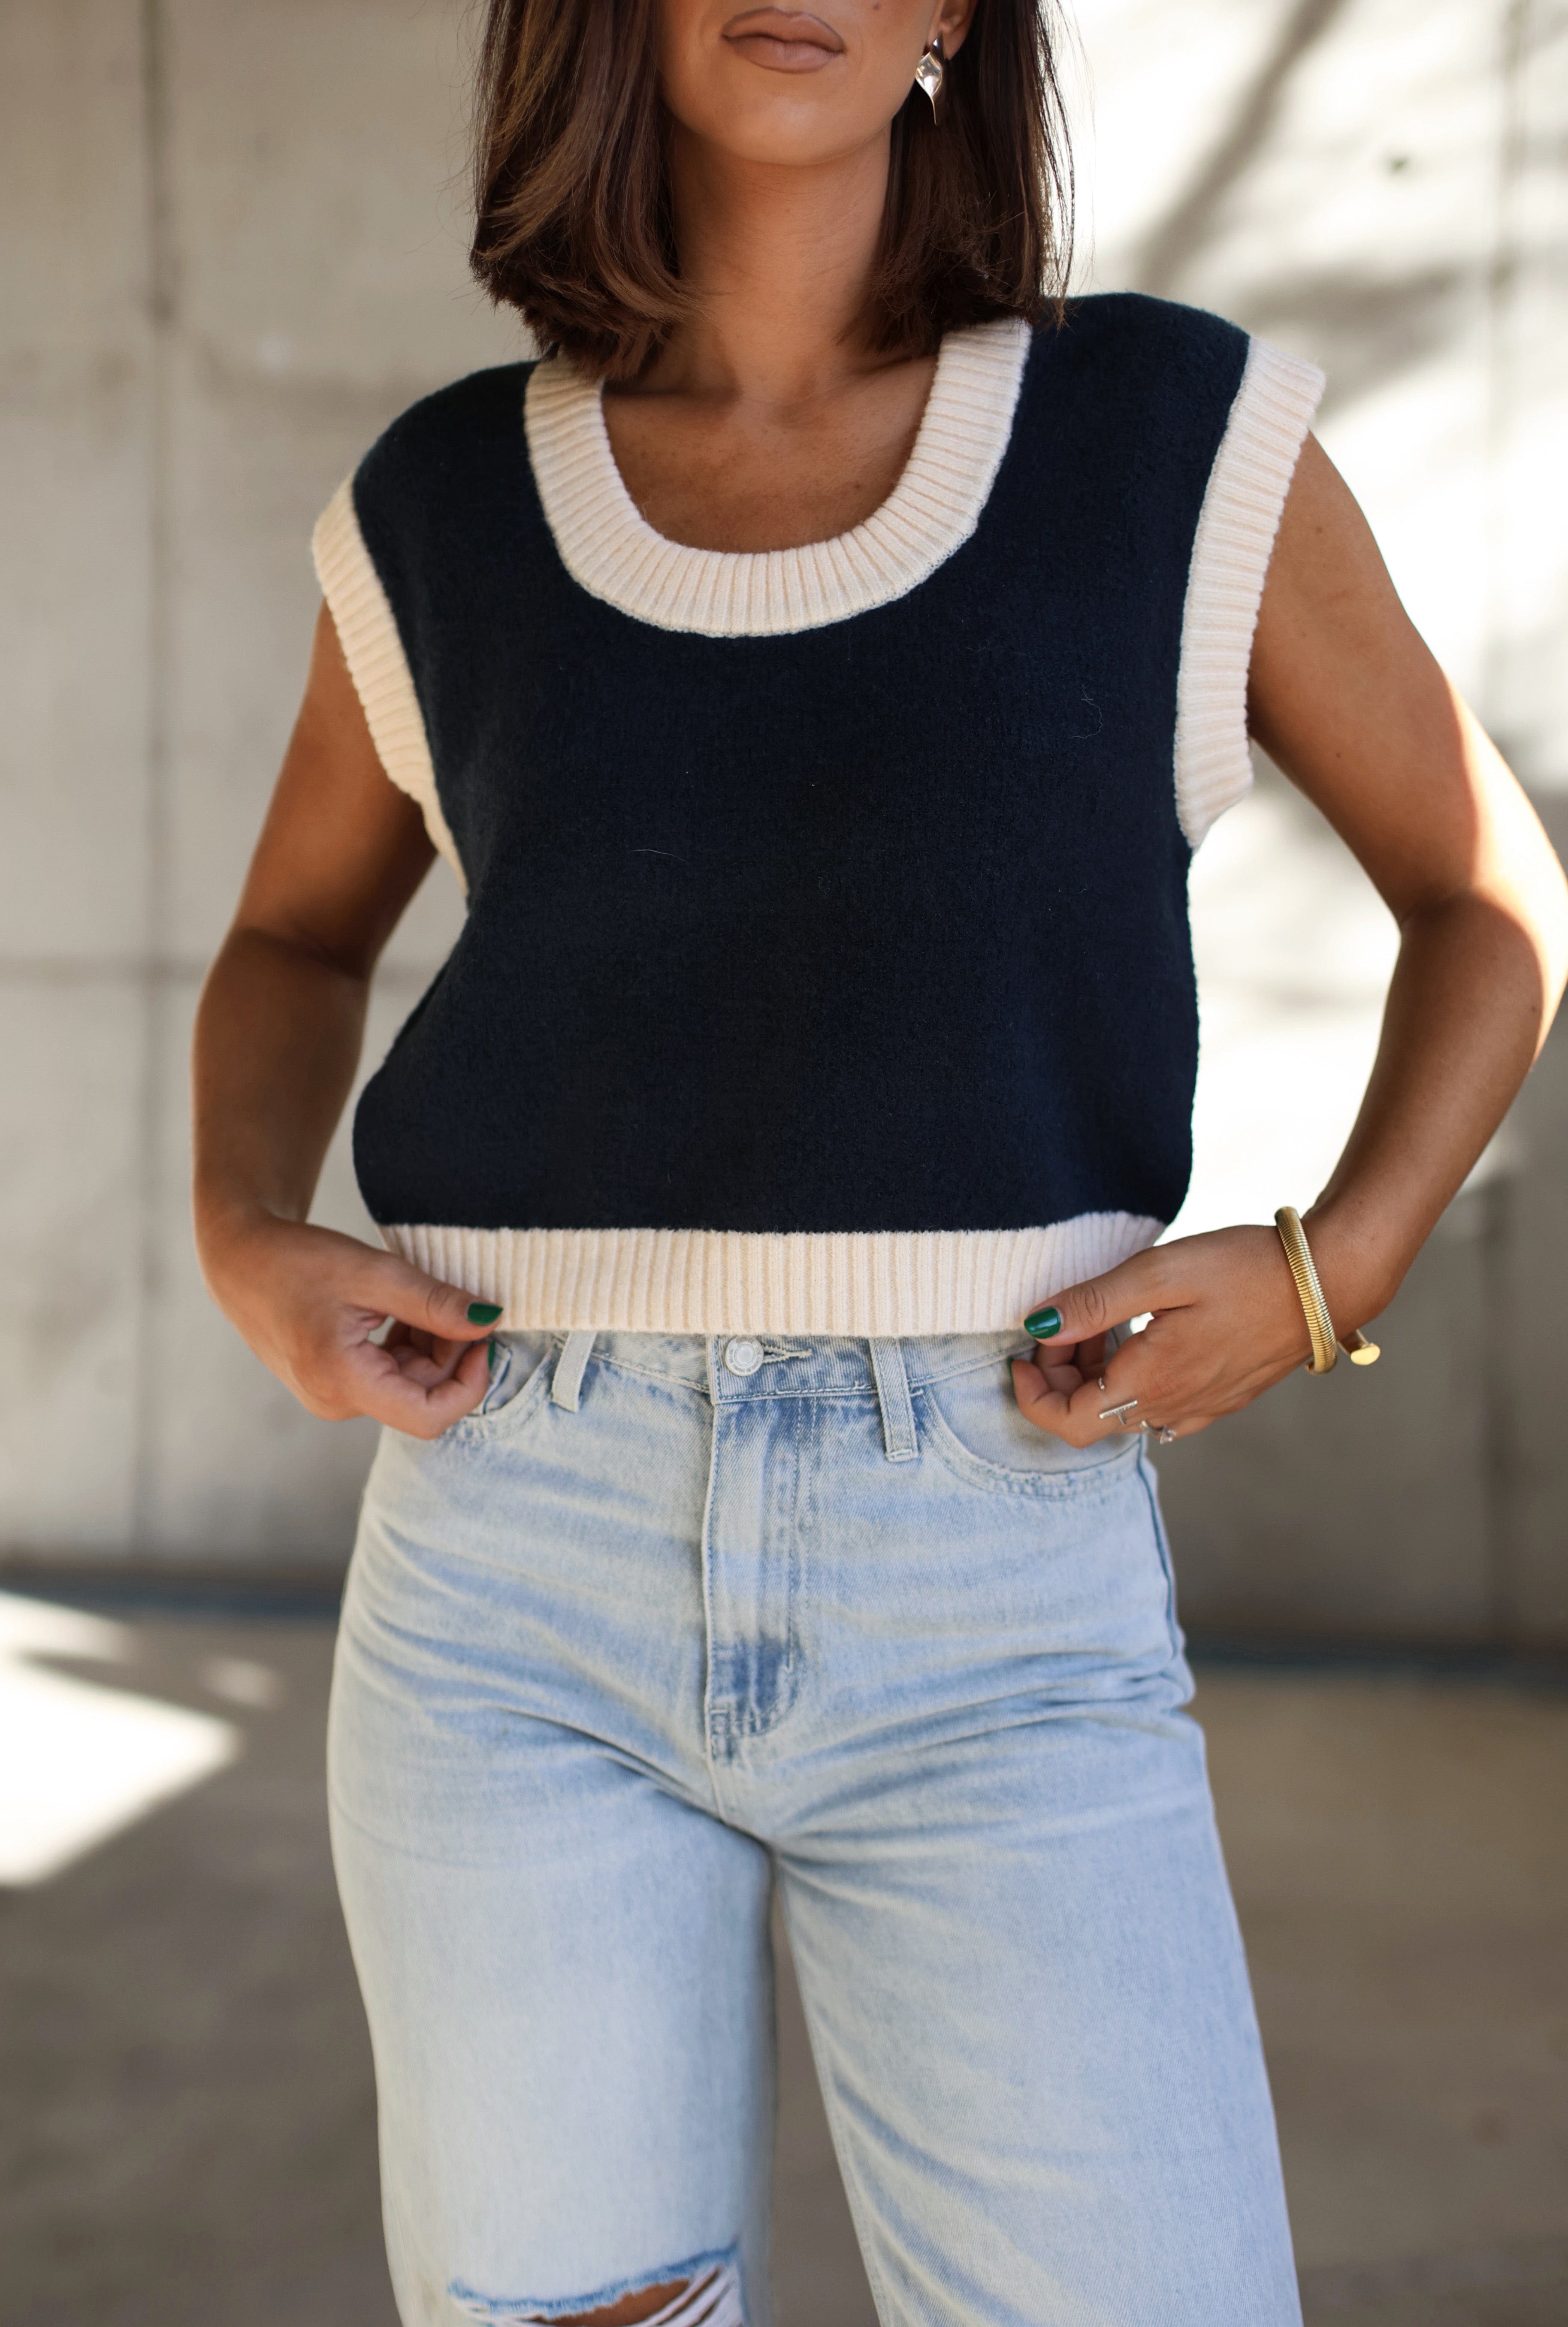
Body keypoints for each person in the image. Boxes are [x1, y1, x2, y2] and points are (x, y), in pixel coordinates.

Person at [192, 2, 1568, 2321]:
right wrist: (244, 1235)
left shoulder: (1165, 438)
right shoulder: (440, 507)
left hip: (995, 1573)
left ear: (954, 11)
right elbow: (287, 940)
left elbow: (1484, 897)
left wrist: (1335, 1270)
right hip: (511, 1568)